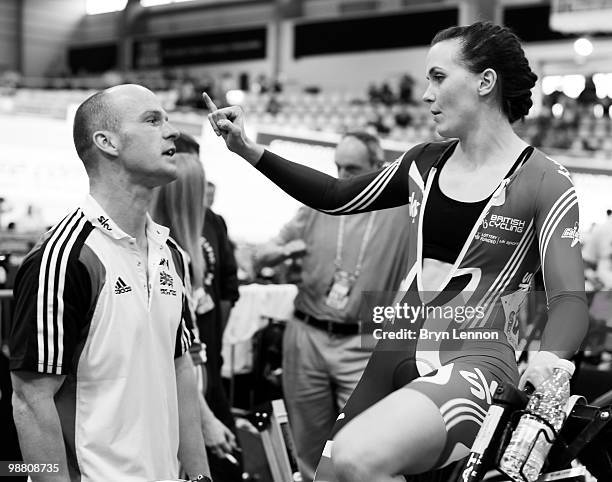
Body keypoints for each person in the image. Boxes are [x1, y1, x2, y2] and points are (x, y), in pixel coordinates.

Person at [203, 21, 588, 481]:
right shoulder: (423, 161)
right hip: (396, 348)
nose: (426, 94)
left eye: (439, 77)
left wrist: (551, 358)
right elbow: (335, 194)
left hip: (478, 360)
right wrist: (248, 150)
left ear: (486, 82)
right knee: (331, 475)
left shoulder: (547, 181)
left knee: (356, 458)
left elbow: (568, 299)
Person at [9, 84, 211, 482]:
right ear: (107, 142)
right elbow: (29, 401)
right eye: (153, 120)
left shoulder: (170, 252)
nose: (171, 132)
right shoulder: (64, 257)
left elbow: (181, 369)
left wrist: (202, 475)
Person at [254, 131, 411, 482]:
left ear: (378, 167)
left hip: (365, 334)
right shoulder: (317, 204)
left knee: (361, 444)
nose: (341, 177)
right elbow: (263, 254)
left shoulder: (402, 210)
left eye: (351, 169)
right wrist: (282, 252)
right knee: (308, 443)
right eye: (337, 167)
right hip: (306, 329)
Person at [151, 133, 243, 482]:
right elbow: (172, 355)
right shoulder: (161, 255)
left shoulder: (185, 248)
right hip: (178, 389)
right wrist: (205, 418)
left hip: (199, 375)